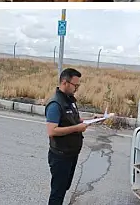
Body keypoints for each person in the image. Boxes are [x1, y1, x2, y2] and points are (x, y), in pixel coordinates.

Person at [44, 68, 102, 205]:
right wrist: (77, 128)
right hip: (60, 156)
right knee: (57, 193)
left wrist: (91, 119)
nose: (77, 88)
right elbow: (52, 131)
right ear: (65, 82)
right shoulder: (55, 104)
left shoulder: (69, 100)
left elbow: (73, 119)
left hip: (71, 154)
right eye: (75, 85)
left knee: (64, 188)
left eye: (78, 85)